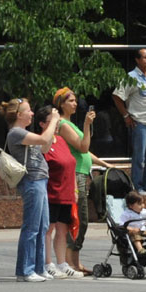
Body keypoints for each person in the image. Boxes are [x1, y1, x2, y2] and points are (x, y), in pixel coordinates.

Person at [54, 87, 114, 275]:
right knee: (79, 218)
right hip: (75, 175)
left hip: (82, 173)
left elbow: (86, 152)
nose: (74, 104)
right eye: (70, 101)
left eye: (74, 100)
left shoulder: (72, 125)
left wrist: (104, 163)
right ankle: (70, 262)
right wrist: (88, 125)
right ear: (61, 104)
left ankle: (75, 262)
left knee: (83, 219)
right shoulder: (63, 125)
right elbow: (82, 147)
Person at [4, 97, 61, 283]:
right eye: (29, 111)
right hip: (32, 181)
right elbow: (44, 139)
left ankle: (38, 267)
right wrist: (52, 120)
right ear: (19, 115)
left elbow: (45, 146)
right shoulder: (16, 133)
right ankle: (24, 270)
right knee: (32, 227)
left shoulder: (25, 133)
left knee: (43, 226)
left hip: (40, 181)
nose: (32, 114)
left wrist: (51, 127)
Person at [37, 103, 81, 280]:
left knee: (63, 230)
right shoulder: (41, 141)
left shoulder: (61, 140)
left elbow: (71, 164)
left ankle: (62, 263)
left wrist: (75, 188)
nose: (56, 123)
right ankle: (48, 263)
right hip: (51, 192)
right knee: (49, 229)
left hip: (66, 192)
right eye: (52, 120)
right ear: (42, 124)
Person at [113, 48, 146, 193]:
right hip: (139, 122)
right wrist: (126, 116)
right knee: (139, 158)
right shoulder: (131, 76)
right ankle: (137, 187)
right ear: (137, 60)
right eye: (145, 57)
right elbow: (117, 96)